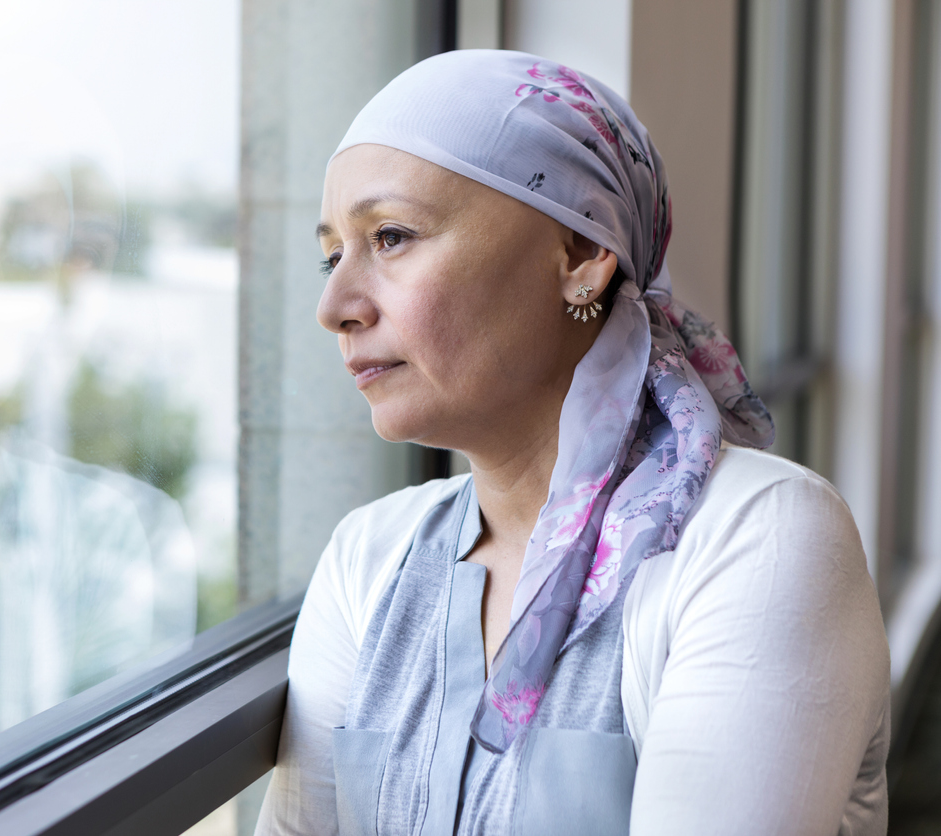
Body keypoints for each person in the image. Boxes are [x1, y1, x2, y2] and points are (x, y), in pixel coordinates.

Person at [253, 50, 890, 835]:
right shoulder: (370, 560)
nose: (334, 304)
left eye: (389, 236)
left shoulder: (759, 539)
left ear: (582, 259)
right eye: (331, 254)